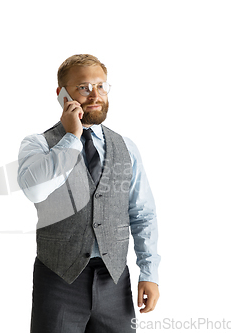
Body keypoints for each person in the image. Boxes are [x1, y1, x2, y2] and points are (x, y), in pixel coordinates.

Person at [17, 54, 160, 333]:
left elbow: (142, 212)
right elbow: (34, 190)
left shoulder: (125, 146)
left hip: (114, 279)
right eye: (84, 87)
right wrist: (71, 138)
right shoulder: (38, 144)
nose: (95, 95)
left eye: (101, 86)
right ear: (62, 94)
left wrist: (149, 272)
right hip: (59, 279)